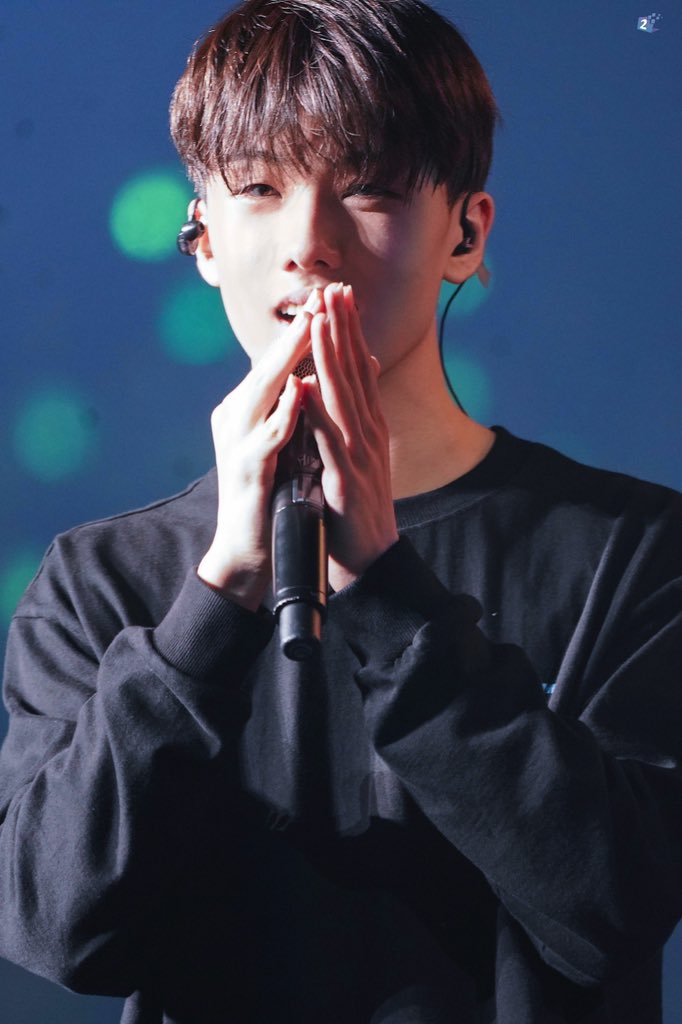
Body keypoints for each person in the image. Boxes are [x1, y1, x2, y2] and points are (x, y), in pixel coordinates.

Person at [0, 1, 681, 1021]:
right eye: (259, 189)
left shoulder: (632, 553)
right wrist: (218, 595)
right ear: (201, 236)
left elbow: (610, 913)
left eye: (368, 188)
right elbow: (58, 928)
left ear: (465, 233)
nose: (309, 244)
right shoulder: (99, 580)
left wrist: (386, 589)